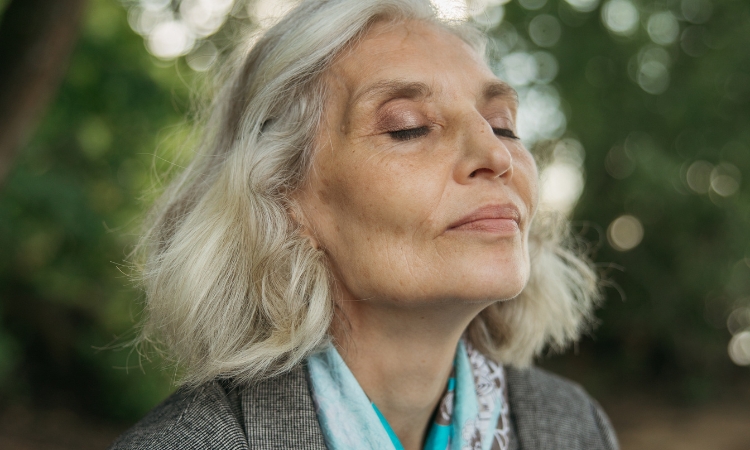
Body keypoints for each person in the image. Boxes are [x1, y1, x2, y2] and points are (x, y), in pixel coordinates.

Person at [110, 0, 618, 449]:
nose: (495, 153)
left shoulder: (572, 426)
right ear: (284, 197)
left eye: (503, 124)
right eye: (408, 127)